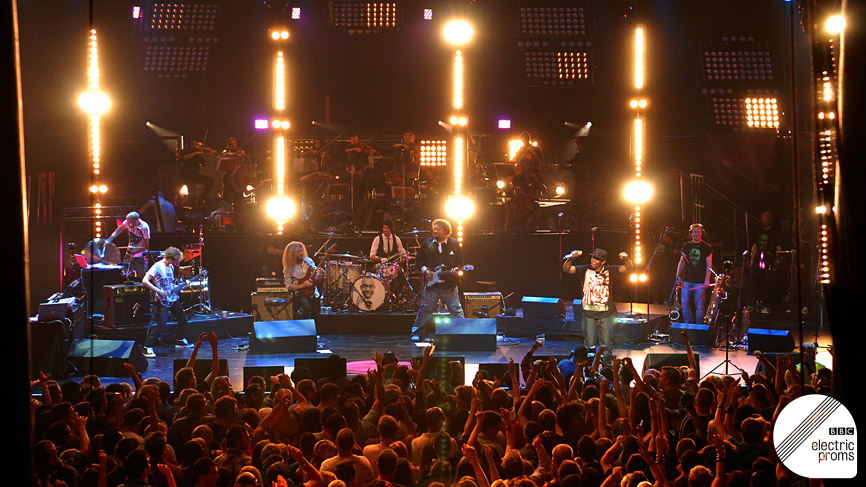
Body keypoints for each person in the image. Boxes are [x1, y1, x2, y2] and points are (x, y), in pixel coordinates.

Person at [562, 248, 628, 365]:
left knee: (606, 345)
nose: (593, 260)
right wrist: (571, 258)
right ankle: (589, 369)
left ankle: (607, 367)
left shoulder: (610, 270)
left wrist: (626, 259)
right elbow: (566, 269)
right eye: (592, 257)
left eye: (597, 259)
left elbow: (628, 268)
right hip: (589, 315)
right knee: (589, 345)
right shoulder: (584, 270)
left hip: (606, 315)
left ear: (603, 261)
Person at [411, 219, 465, 338]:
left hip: (449, 285)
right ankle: (417, 333)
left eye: (437, 229)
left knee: (455, 309)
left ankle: (463, 333)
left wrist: (456, 270)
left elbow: (460, 263)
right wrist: (425, 270)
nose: (434, 231)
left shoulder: (455, 244)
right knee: (425, 308)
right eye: (433, 229)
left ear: (445, 231)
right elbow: (419, 261)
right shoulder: (427, 243)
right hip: (432, 285)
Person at [141, 246, 193, 357]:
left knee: (183, 319)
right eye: (176, 261)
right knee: (162, 324)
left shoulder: (170, 267)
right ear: (171, 258)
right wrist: (158, 291)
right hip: (162, 300)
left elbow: (170, 284)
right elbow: (145, 281)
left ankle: (179, 339)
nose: (176, 264)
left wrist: (184, 284)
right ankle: (148, 347)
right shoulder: (157, 267)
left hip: (172, 298)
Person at [675, 223, 713, 324]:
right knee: (684, 304)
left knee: (700, 307)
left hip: (700, 281)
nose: (696, 234)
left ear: (702, 233)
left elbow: (709, 265)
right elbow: (682, 262)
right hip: (687, 280)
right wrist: (678, 276)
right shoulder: (686, 246)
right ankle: (688, 325)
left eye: (698, 232)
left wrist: (707, 279)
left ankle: (698, 328)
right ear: (691, 233)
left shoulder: (706, 247)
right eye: (694, 232)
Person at [746, 211, 783, 314]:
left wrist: (778, 261)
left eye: (765, 218)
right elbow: (755, 246)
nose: (763, 220)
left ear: (769, 220)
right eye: (762, 218)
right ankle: (750, 304)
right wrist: (752, 260)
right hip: (758, 259)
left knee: (768, 282)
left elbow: (778, 248)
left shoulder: (775, 232)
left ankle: (767, 305)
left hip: (769, 260)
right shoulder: (758, 231)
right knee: (751, 280)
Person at [282, 241, 325, 320]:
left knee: (316, 314)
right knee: (306, 307)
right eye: (298, 252)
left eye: (302, 251)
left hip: (313, 291)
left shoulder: (309, 261)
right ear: (292, 253)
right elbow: (288, 286)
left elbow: (315, 277)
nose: (301, 253)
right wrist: (302, 286)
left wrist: (320, 274)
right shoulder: (288, 268)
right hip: (300, 292)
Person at [106, 211, 152, 279]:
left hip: (139, 255)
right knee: (125, 273)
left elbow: (145, 246)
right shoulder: (128, 221)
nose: (128, 224)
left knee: (140, 275)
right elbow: (119, 229)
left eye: (130, 222)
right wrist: (110, 238)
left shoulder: (144, 227)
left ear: (136, 219)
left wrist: (135, 253)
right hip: (130, 252)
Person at [180, 140, 216, 205]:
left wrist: (211, 156)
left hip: (195, 174)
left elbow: (204, 164)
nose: (195, 146)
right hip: (186, 175)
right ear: (189, 145)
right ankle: (192, 203)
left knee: (210, 181)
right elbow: (183, 158)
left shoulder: (198, 153)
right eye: (193, 145)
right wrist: (195, 153)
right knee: (191, 190)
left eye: (195, 145)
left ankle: (201, 199)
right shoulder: (185, 151)